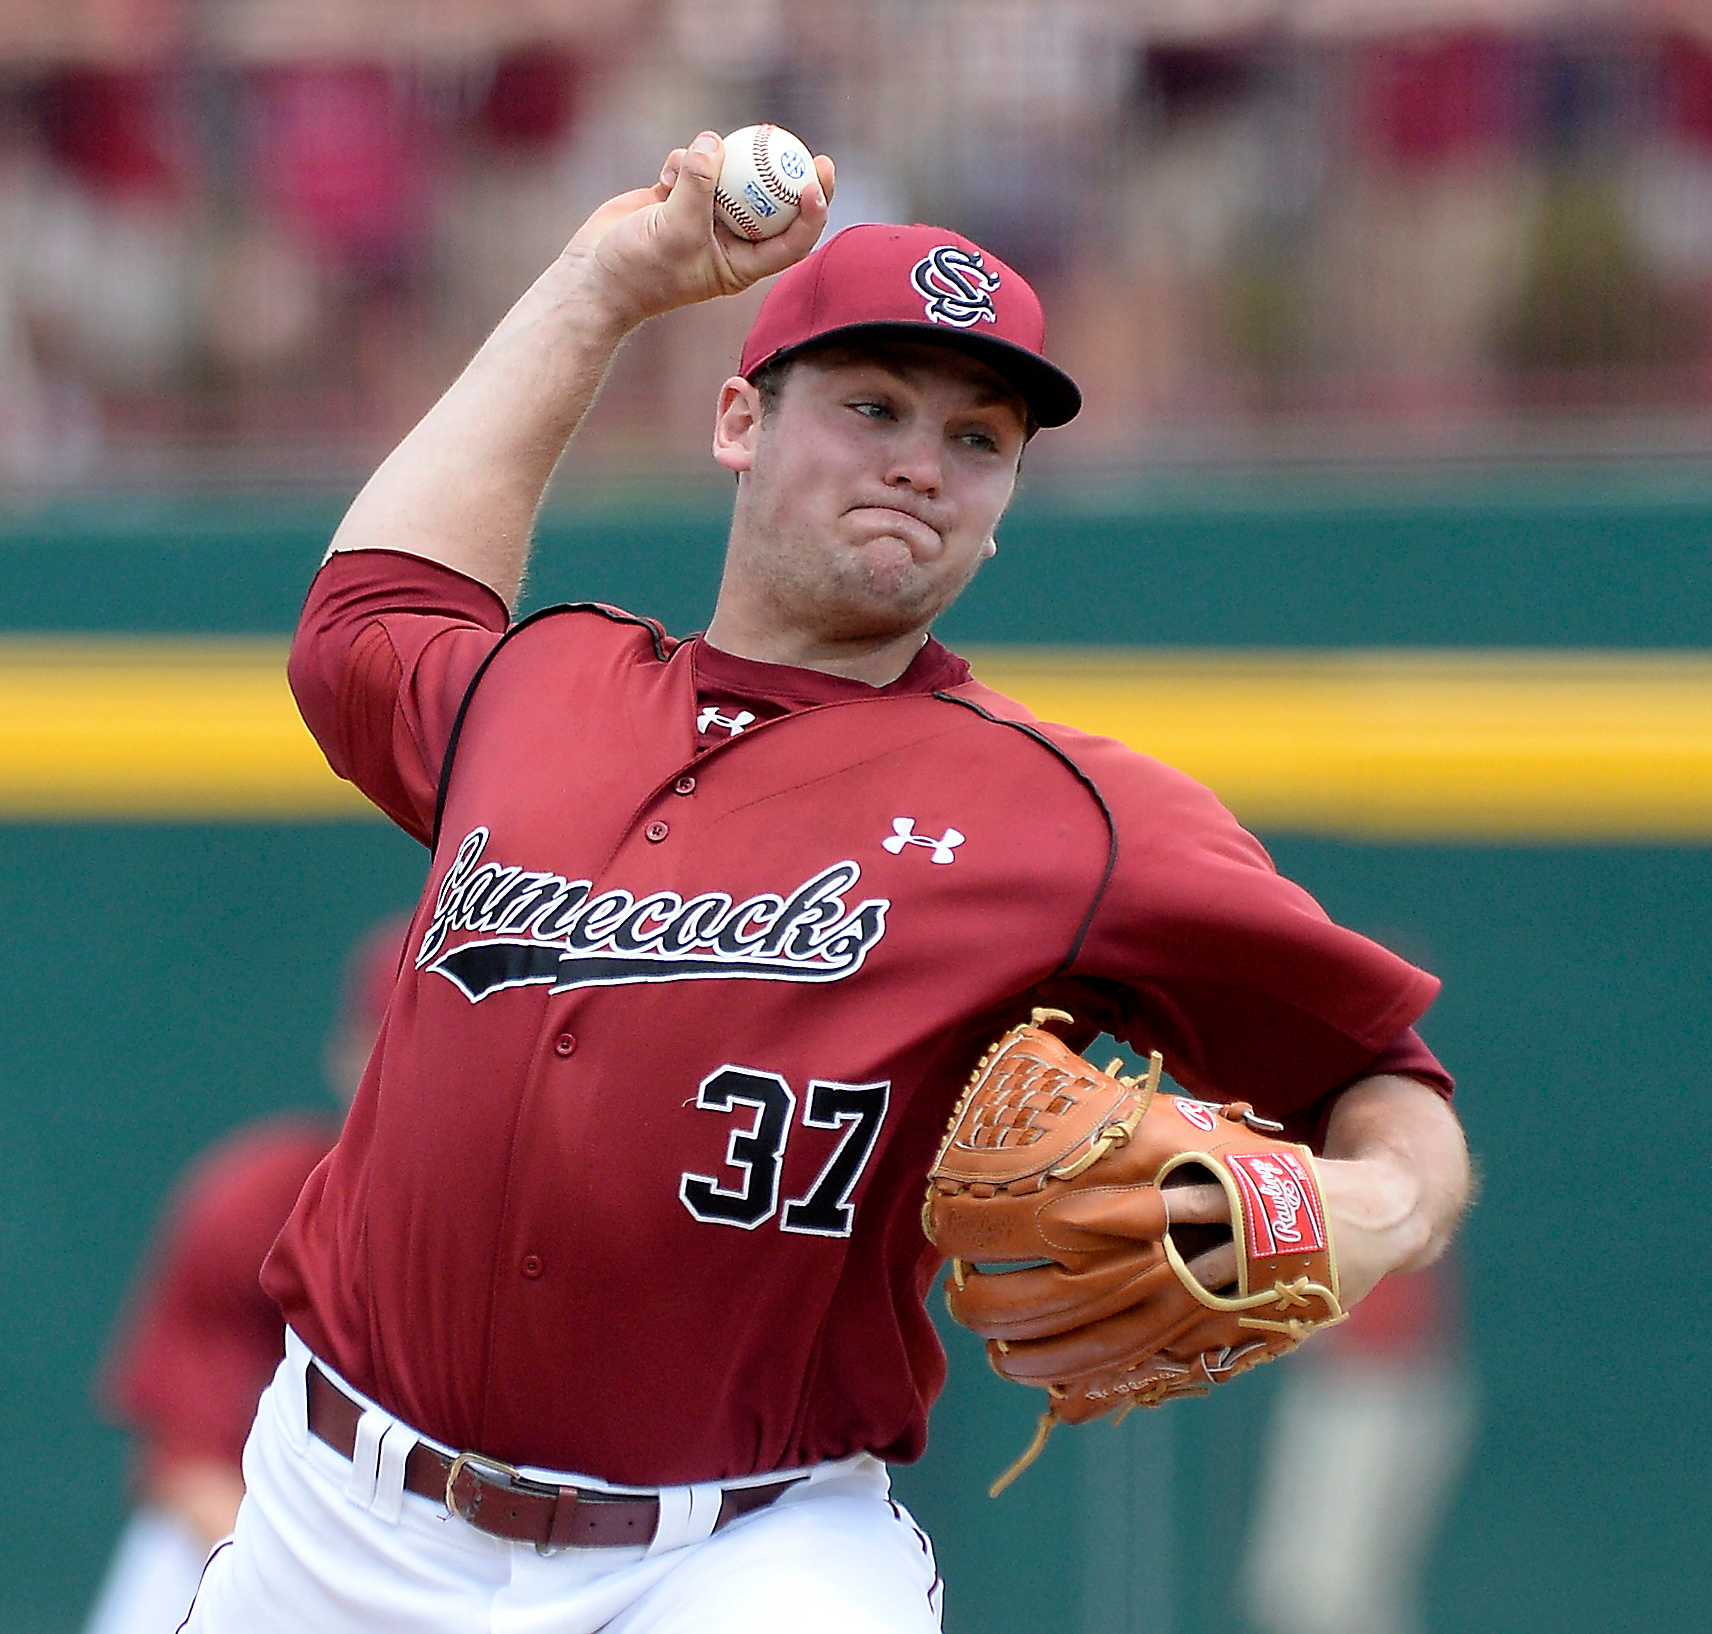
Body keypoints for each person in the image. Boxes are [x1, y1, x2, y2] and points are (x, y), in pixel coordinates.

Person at [182, 132, 1471, 1633]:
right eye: (872, 407)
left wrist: (1367, 1211)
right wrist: (601, 282)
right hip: (339, 1528)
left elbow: (1385, 1072)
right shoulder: (545, 686)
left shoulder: (1068, 815)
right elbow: (370, 614)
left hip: (737, 1557)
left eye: (979, 438)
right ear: (740, 418)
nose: (923, 461)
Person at [82, 920, 406, 1634]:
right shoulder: (257, 1200)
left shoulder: (559, 1238)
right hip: (252, 1538)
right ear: (347, 1054)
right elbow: (188, 1463)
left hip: (461, 1558)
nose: (406, 1090)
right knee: (169, 1558)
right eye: (389, 1052)